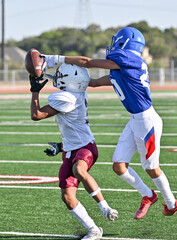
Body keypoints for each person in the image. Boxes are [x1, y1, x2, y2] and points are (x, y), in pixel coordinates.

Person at [41, 27, 177, 219]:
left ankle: (171, 203)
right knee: (119, 166)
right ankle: (149, 195)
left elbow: (87, 62)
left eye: (117, 42)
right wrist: (66, 79)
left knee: (151, 168)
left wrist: (56, 59)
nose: (113, 46)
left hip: (147, 121)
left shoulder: (130, 60)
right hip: (135, 120)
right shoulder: (122, 68)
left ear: (125, 43)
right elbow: (94, 82)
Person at [29, 63, 118, 240]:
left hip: (85, 147)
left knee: (79, 170)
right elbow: (69, 81)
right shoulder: (77, 92)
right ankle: (93, 229)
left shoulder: (66, 98)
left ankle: (105, 207)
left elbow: (36, 115)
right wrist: (62, 146)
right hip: (71, 148)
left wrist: (35, 91)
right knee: (67, 197)